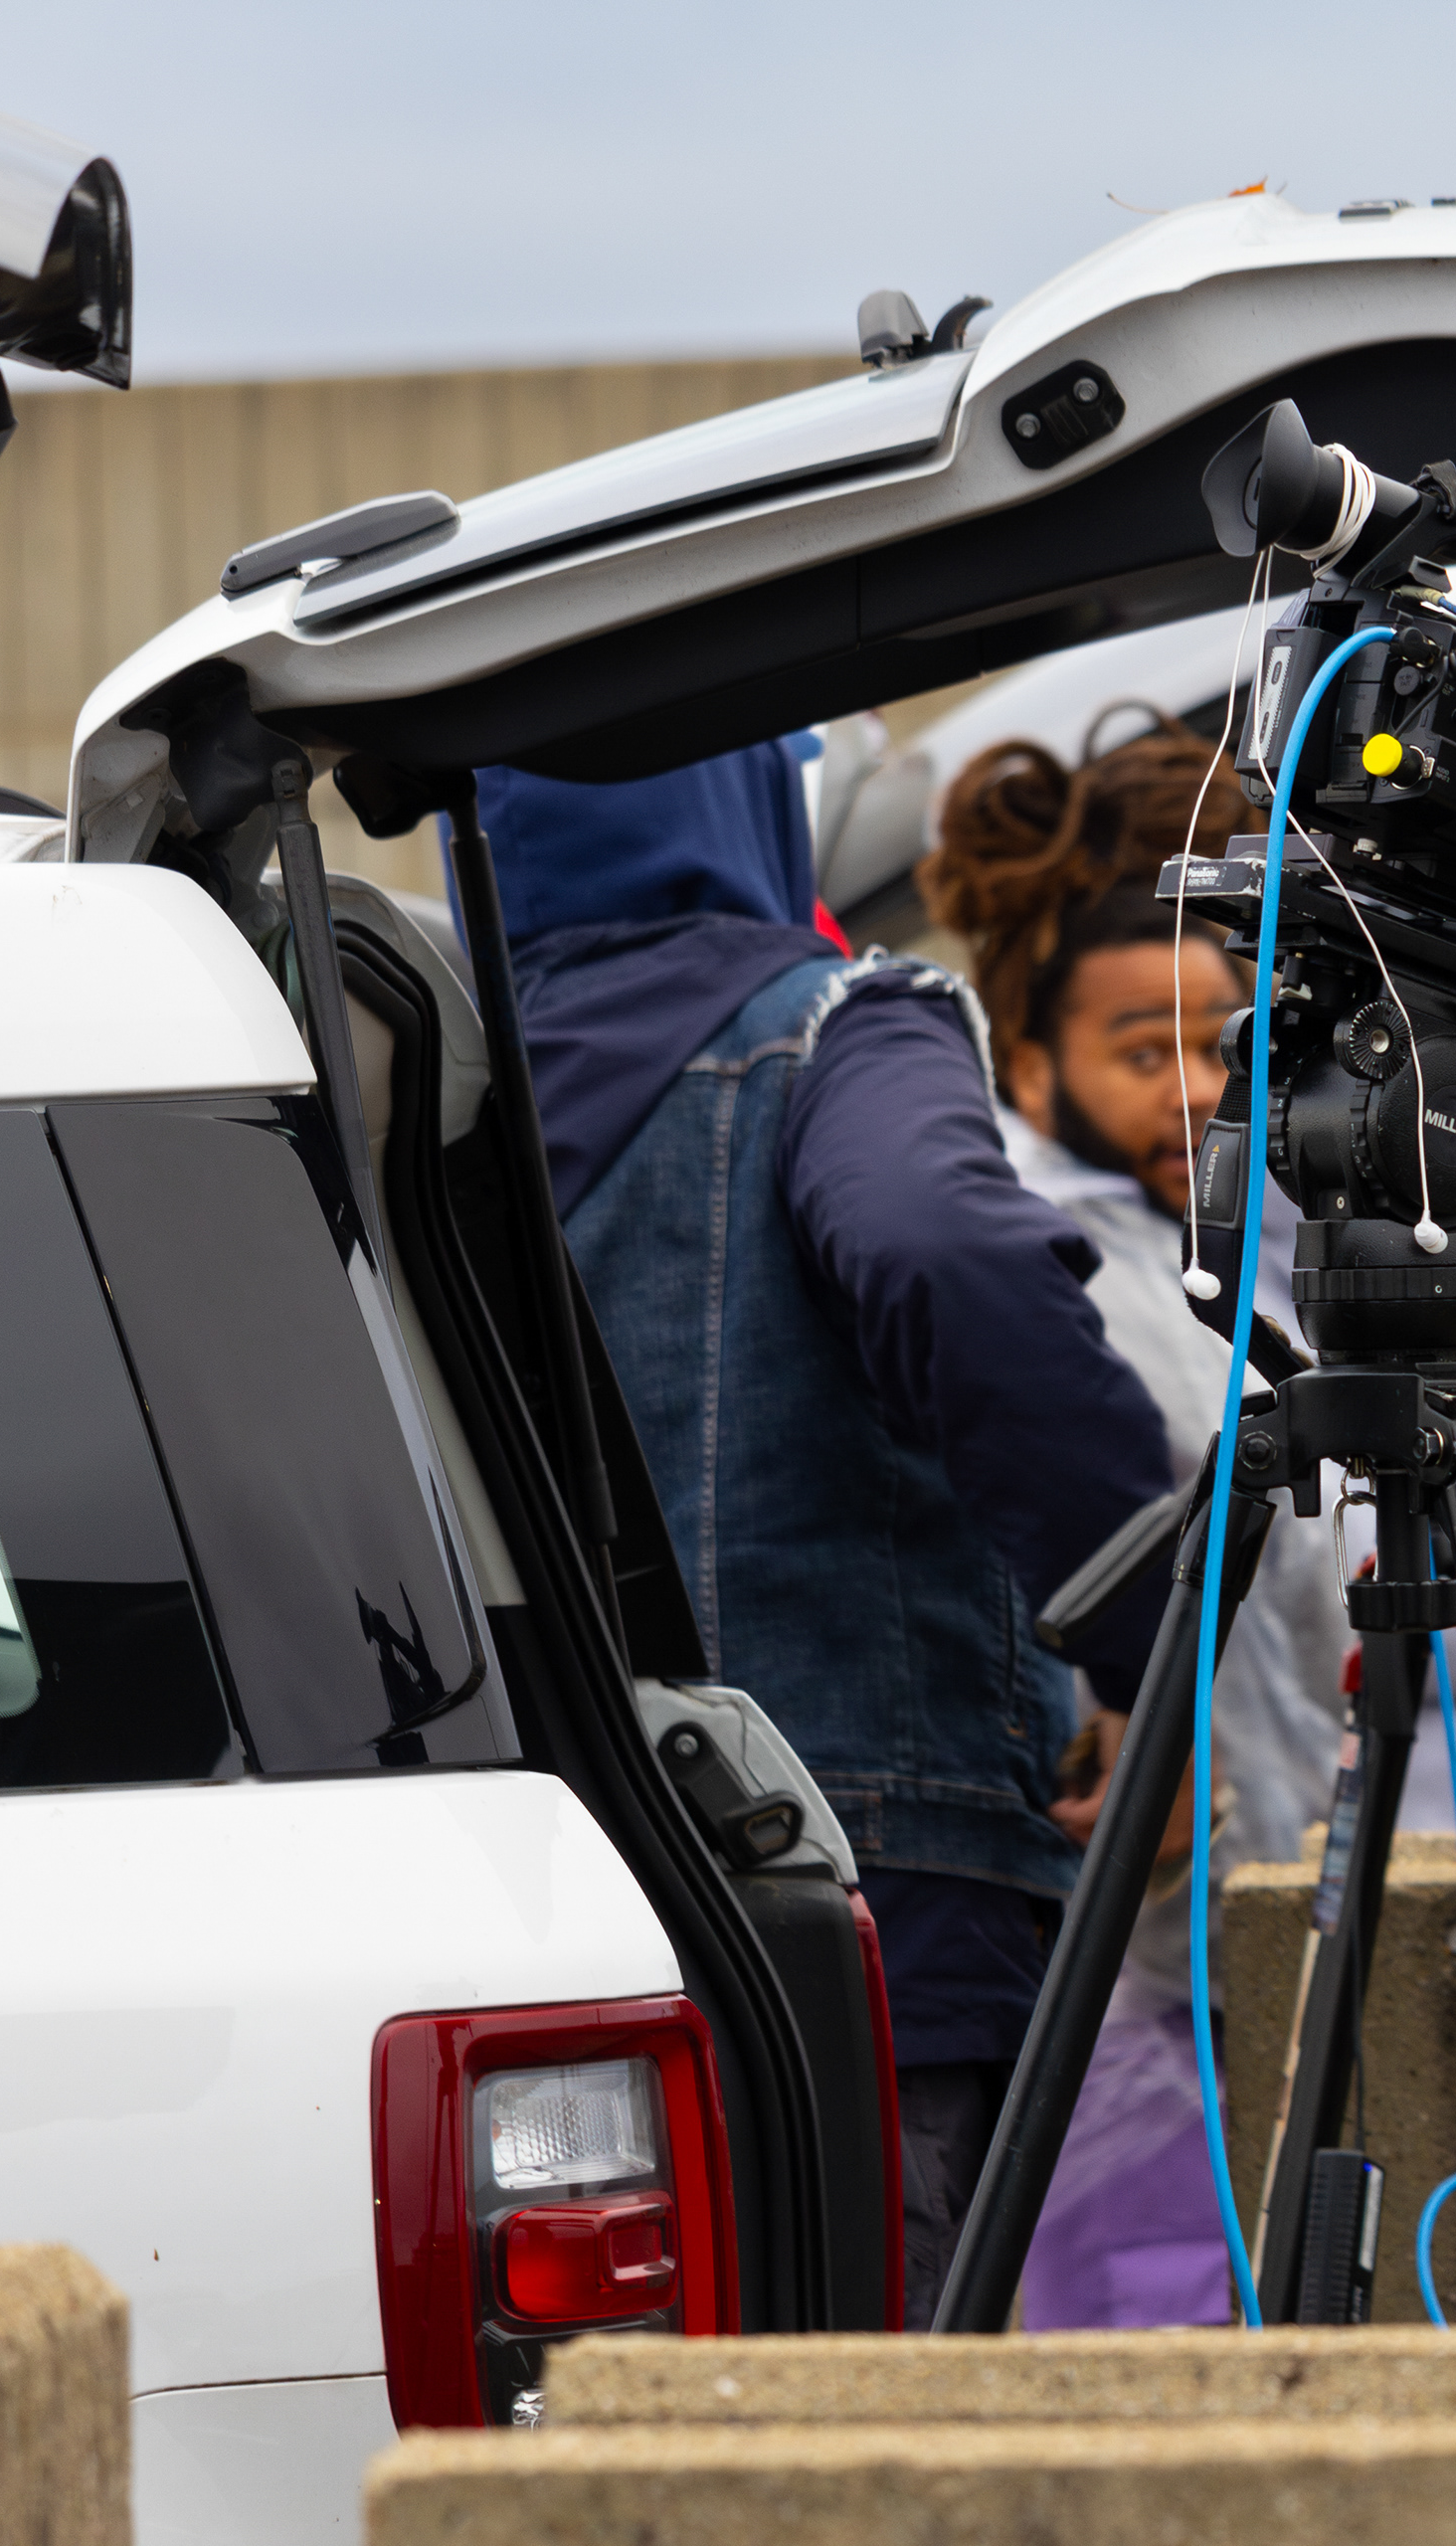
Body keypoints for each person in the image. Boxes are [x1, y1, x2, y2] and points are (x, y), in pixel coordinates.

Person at [465, 739, 1176, 2323]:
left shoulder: (402, 1079)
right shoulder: (840, 1029)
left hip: (516, 1947)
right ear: (748, 795)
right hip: (864, 1906)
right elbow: (940, 1249)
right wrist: (1144, 1638)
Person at [921, 725, 1353, 2327]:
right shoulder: (1027, 1258)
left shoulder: (1272, 1238)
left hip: (1280, 1895)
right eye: (1136, 1046)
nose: (1191, 1085)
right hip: (1123, 1946)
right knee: (1142, 2326)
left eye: (1224, 1042)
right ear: (1022, 1053)